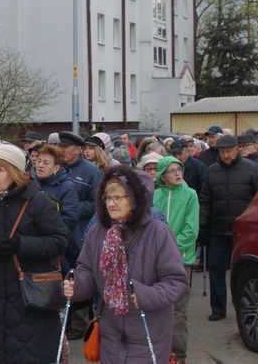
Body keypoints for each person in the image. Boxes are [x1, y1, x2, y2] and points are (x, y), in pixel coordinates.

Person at [63, 165, 190, 363]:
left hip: (148, 328)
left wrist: (146, 295)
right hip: (110, 330)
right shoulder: (98, 231)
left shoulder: (159, 233)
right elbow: (87, 270)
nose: (111, 204)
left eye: (118, 198)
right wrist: (76, 285)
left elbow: (177, 281)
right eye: (107, 198)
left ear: (136, 199)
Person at [0, 144, 68, 363]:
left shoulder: (38, 201)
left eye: (0, 170)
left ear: (14, 172)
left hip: (29, 297)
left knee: (28, 354)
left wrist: (20, 245)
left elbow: (59, 241)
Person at [199, 136, 258, 321]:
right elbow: (206, 200)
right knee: (216, 270)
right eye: (221, 152)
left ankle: (247, 308)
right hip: (218, 230)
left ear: (237, 150)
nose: (225, 155)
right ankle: (218, 308)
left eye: (228, 151)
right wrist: (203, 224)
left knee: (245, 272)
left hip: (244, 232)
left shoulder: (253, 170)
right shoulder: (212, 171)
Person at [57, 131, 103, 340]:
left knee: (80, 275)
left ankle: (81, 323)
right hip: (61, 231)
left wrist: (70, 208)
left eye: (65, 147)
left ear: (77, 150)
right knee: (64, 277)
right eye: (60, 147)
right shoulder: (59, 170)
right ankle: (64, 321)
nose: (61, 151)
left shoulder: (91, 172)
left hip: (81, 233)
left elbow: (97, 203)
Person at [153, 156, 199, 363]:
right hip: (155, 260)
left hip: (182, 260)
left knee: (179, 311)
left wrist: (171, 248)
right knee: (156, 307)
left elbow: (191, 229)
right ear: (163, 176)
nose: (177, 174)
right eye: (171, 171)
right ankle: (158, 353)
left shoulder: (190, 195)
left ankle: (178, 356)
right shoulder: (154, 196)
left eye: (178, 169)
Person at [34, 145, 80, 237]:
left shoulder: (67, 187)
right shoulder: (32, 183)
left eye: (46, 163)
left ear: (56, 168)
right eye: (39, 161)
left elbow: (69, 219)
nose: (40, 165)